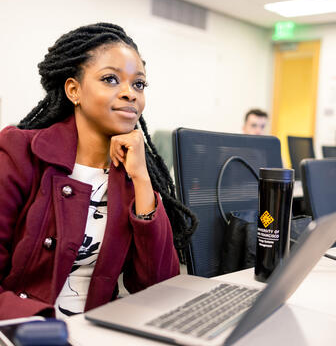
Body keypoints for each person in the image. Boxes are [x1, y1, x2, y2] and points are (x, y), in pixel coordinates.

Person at [0, 23, 198, 320]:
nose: (130, 94)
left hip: (98, 330)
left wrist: (142, 180)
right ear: (74, 90)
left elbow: (159, 287)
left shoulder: (131, 173)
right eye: (110, 79)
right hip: (25, 328)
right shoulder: (19, 152)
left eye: (138, 84)